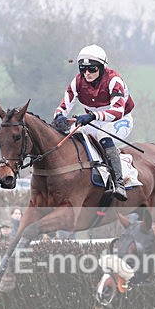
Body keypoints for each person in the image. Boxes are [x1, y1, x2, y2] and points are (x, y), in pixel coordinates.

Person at [53, 44, 134, 202]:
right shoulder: (77, 82)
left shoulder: (114, 81)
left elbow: (117, 111)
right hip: (95, 118)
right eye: (83, 69)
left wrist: (92, 116)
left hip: (121, 119)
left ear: (102, 68)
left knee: (104, 136)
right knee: (72, 133)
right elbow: (64, 106)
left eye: (92, 69)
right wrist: (59, 116)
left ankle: (118, 183)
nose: (87, 73)